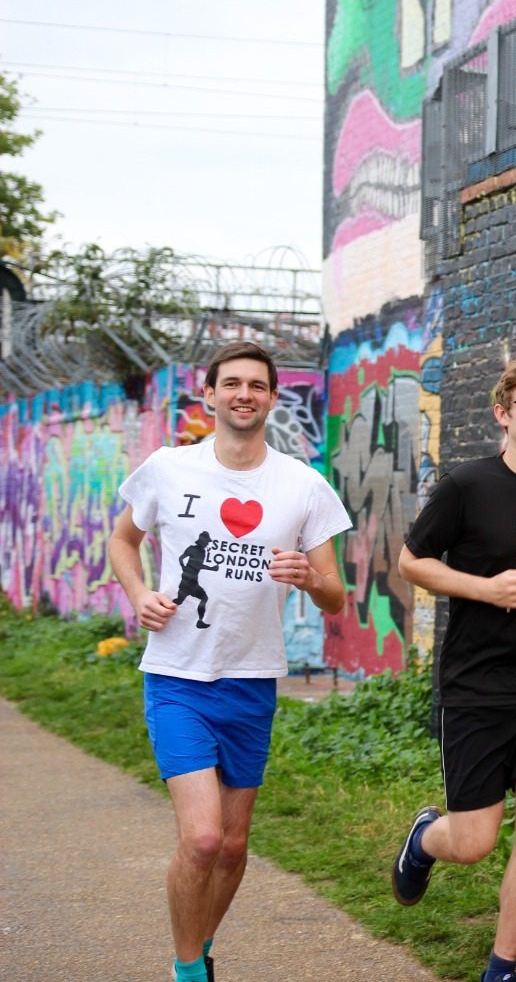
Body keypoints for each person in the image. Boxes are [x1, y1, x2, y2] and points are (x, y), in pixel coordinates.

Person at [108, 342, 351, 982]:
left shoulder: (303, 484)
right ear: (209, 394)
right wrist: (139, 594)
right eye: (232, 383)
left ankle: (199, 945)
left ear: (272, 398)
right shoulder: (168, 468)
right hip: (178, 677)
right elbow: (123, 540)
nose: (245, 394)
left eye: (257, 385)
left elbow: (335, 595)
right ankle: (189, 971)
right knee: (203, 840)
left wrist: (309, 578)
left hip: (251, 681)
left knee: (235, 846)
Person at [391, 355, 516, 982]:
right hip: (477, 687)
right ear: (502, 415)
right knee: (475, 842)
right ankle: (426, 837)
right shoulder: (467, 485)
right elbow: (411, 562)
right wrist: (484, 589)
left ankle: (501, 968)